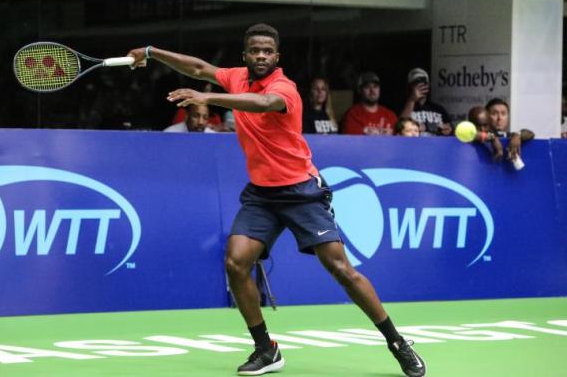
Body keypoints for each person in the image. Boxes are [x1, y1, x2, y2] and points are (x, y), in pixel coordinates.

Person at [127, 23, 426, 377]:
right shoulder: (236, 76)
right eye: (255, 50)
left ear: (277, 56)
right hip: (262, 194)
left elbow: (263, 103)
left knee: (341, 270)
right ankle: (265, 349)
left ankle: (397, 342)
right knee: (236, 262)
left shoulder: (285, 89)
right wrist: (150, 52)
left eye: (267, 51)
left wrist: (208, 98)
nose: (261, 56)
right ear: (245, 55)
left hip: (301, 191)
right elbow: (197, 68)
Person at [400, 68, 452, 136]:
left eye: (423, 83)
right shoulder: (404, 106)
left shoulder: (439, 109)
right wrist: (412, 100)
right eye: (416, 83)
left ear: (428, 85)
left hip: (435, 145)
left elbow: (450, 130)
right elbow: (400, 126)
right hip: (412, 145)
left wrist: (448, 130)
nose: (420, 86)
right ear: (410, 86)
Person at [485, 98, 534, 162]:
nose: (499, 118)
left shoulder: (511, 136)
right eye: (494, 114)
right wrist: (492, 138)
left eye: (503, 114)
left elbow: (531, 134)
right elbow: (477, 134)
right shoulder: (480, 135)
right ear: (486, 116)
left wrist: (518, 135)